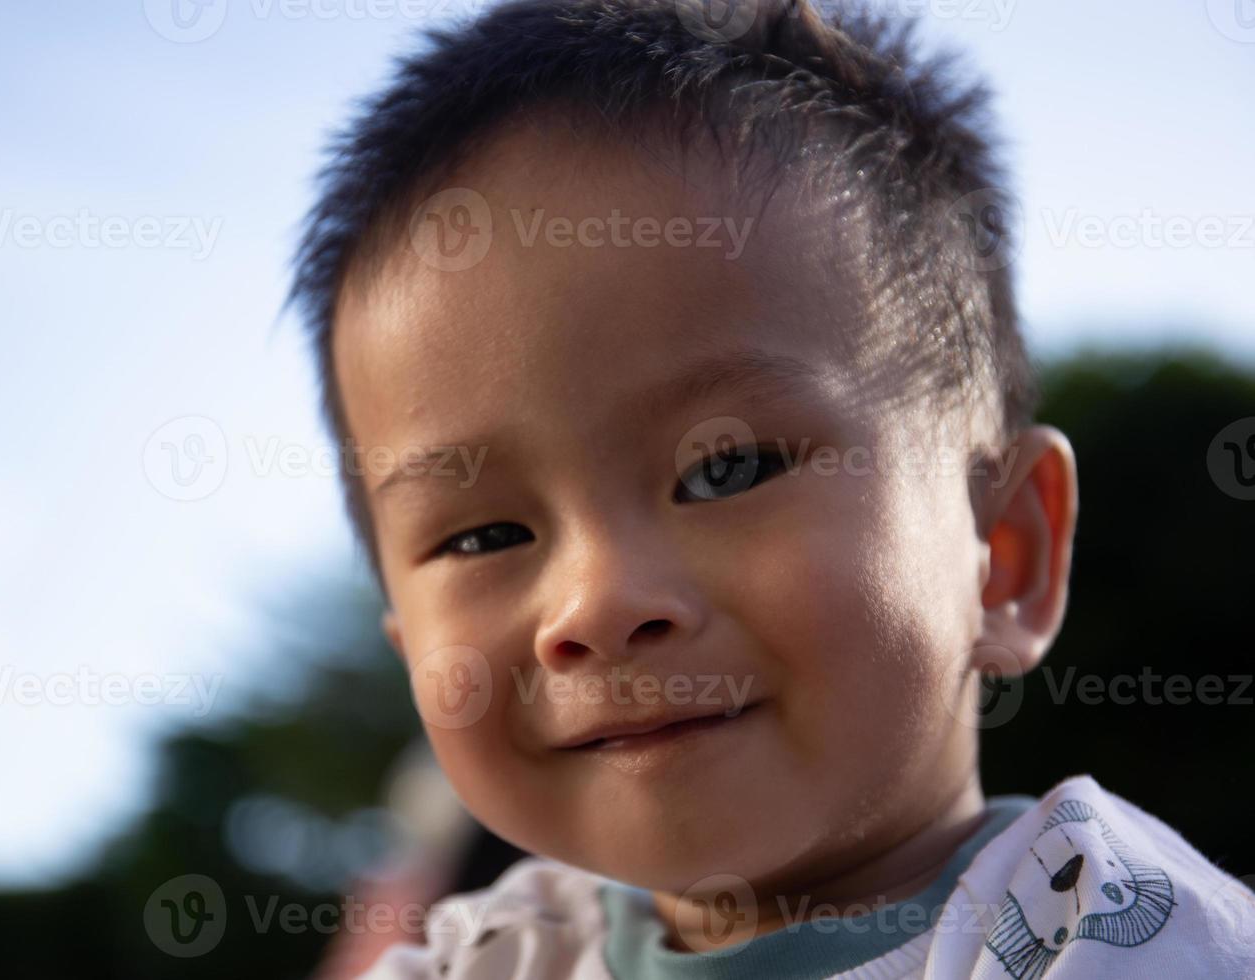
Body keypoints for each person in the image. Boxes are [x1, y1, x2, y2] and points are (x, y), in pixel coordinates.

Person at [282, 0, 1255, 975]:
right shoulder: (488, 957)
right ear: (411, 652)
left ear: (1002, 548)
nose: (599, 601)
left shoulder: (1118, 930)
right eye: (486, 535)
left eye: (727, 468)